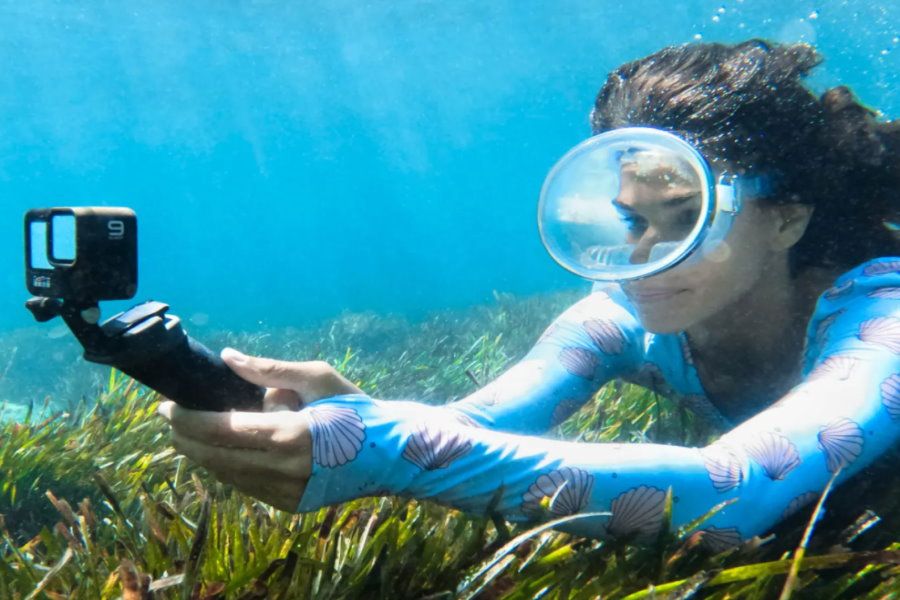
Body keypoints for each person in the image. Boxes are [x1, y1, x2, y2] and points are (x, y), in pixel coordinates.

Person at [158, 40, 900, 552]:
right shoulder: (624, 317)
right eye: (633, 220)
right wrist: (349, 421)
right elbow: (473, 428)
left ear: (788, 219)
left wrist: (386, 447)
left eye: (687, 220)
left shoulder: (884, 319)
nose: (644, 259)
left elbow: (728, 496)